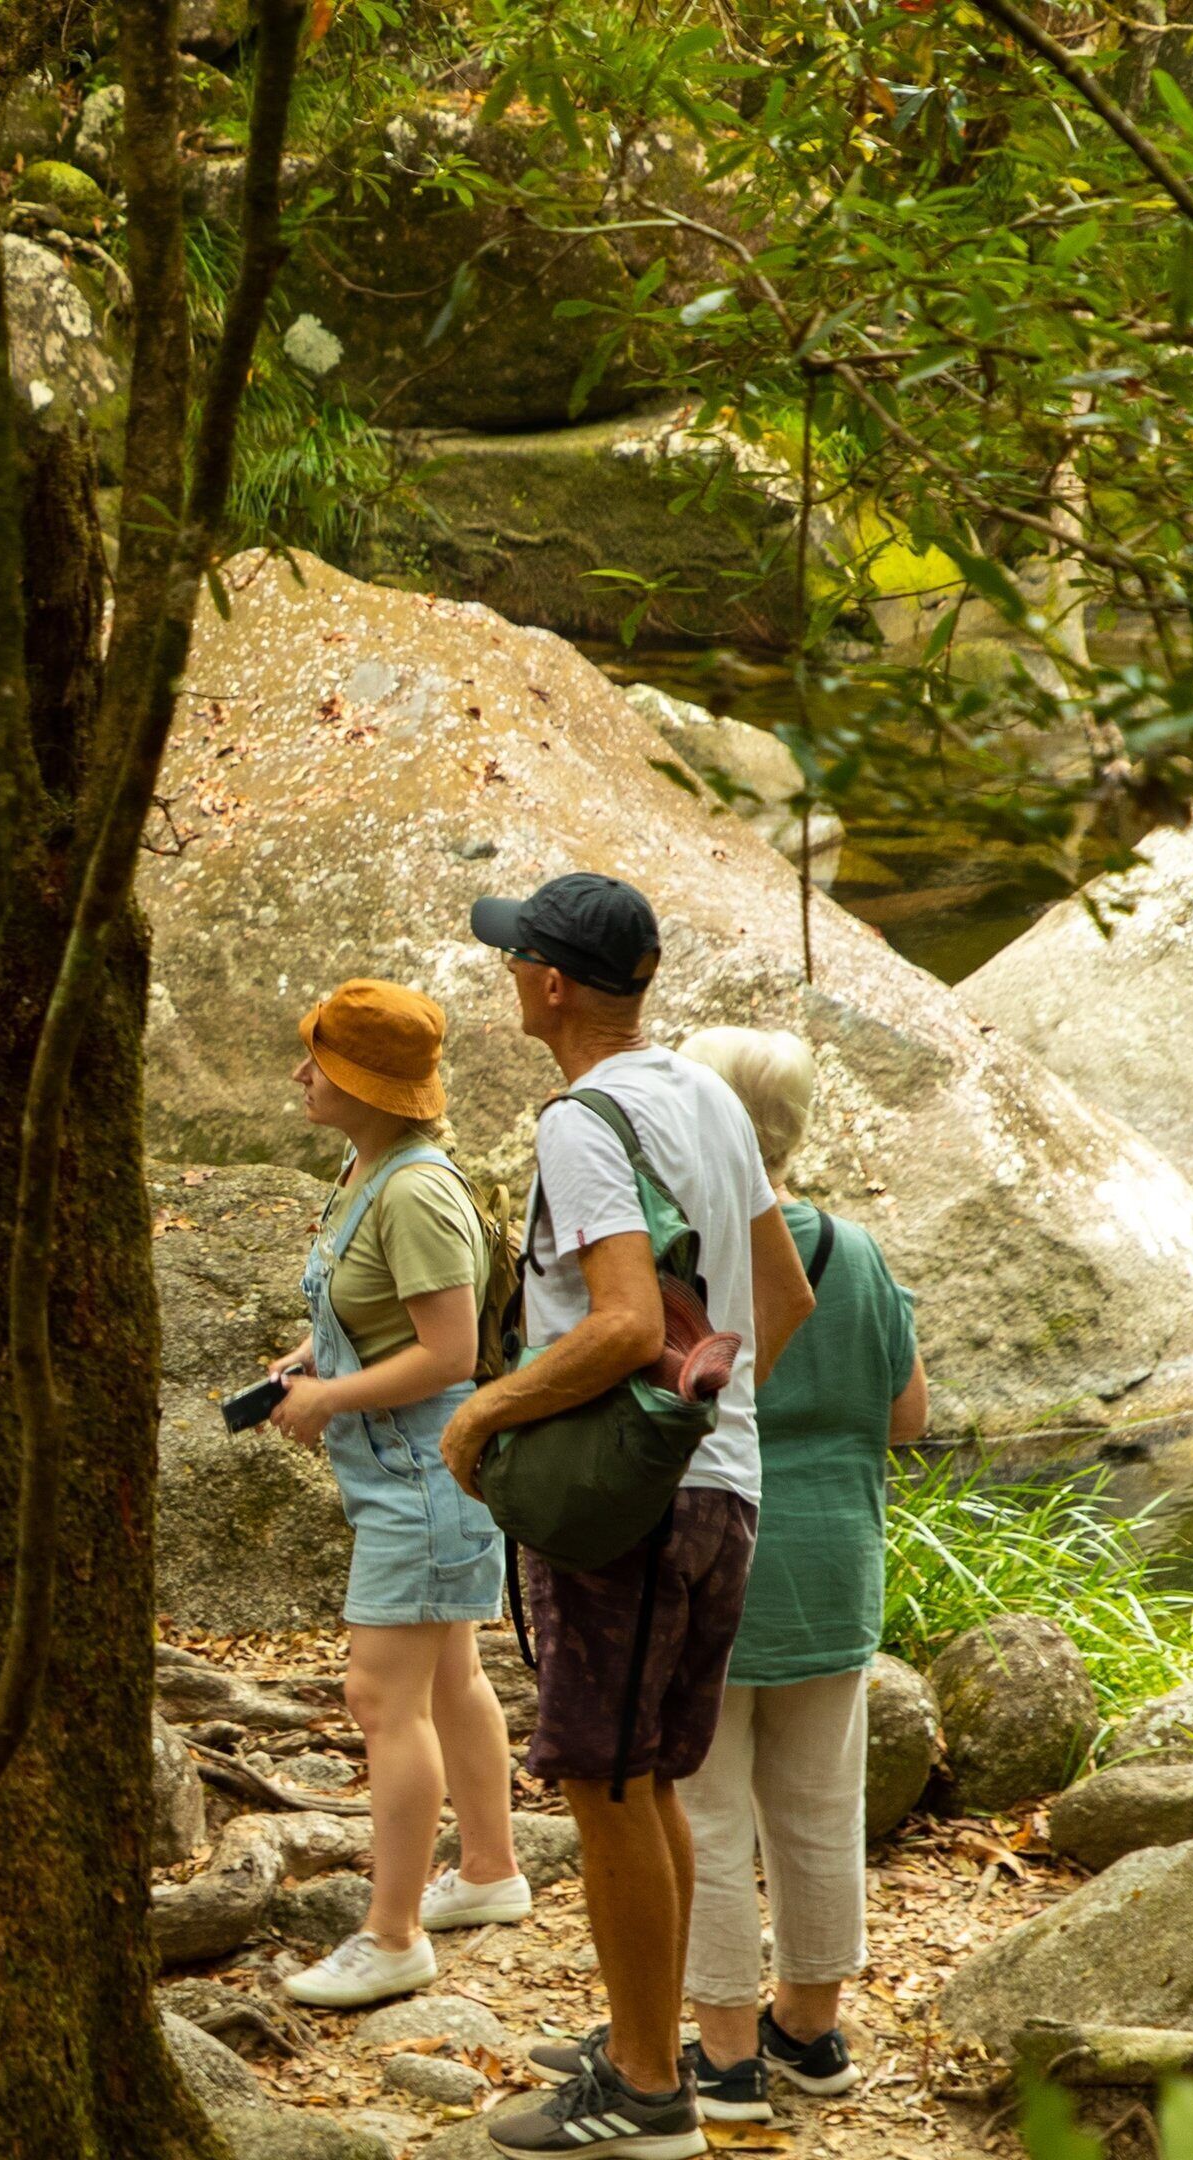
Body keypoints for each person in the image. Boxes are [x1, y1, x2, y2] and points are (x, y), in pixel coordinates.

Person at [441, 875, 816, 2160]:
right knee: (644, 1773)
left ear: (550, 983)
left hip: (634, 1506)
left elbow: (618, 1322)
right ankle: (646, 2036)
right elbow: (784, 1299)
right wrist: (716, 1409)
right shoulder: (709, 1094)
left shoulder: (581, 1118)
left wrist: (486, 1413)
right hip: (729, 1488)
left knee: (606, 1783)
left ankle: (649, 2089)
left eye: (515, 962)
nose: (509, 980)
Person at [655, 1028, 923, 2120]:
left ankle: (722, 2055)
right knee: (820, 1808)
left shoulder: (689, 1258)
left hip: (715, 1563)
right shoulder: (854, 1252)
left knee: (709, 1814)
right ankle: (810, 2031)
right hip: (835, 1568)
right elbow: (907, 1417)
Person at [260, 981, 527, 2010]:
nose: (300, 1074)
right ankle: (493, 1871)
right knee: (451, 1672)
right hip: (401, 1473)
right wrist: (308, 1360)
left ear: (367, 1082)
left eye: (317, 1059)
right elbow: (373, 1313)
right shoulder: (365, 1167)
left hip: (421, 1477)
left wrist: (329, 1397)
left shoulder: (416, 1190)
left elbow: (451, 1355)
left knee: (381, 1697)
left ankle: (393, 1934)